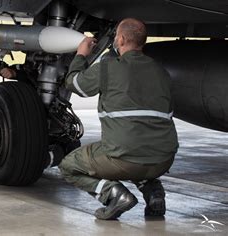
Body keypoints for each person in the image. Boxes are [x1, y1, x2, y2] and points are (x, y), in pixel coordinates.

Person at [59, 18, 179, 220]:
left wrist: (81, 54)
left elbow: (74, 84)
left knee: (69, 166)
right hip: (163, 160)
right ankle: (153, 192)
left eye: (116, 37)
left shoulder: (108, 68)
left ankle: (115, 195)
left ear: (121, 39)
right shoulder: (161, 72)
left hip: (125, 158)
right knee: (137, 148)